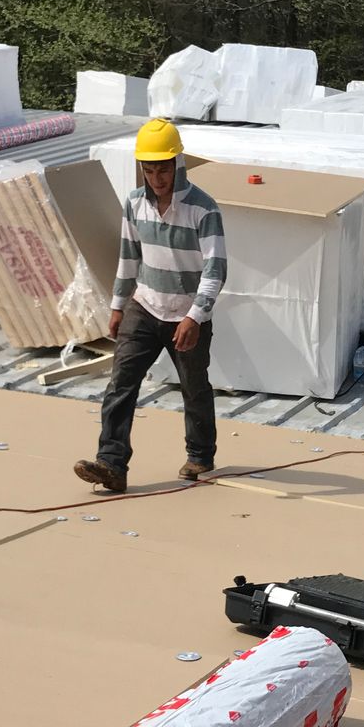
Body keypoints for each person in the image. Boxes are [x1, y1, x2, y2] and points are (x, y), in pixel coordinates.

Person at [74, 118, 226, 493]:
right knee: (120, 384)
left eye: (163, 169)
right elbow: (129, 258)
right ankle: (111, 464)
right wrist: (117, 306)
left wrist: (195, 317)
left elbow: (216, 269)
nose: (157, 178)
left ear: (178, 164)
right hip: (144, 307)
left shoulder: (203, 209)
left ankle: (200, 455)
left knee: (194, 388)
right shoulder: (134, 203)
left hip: (187, 315)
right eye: (149, 169)